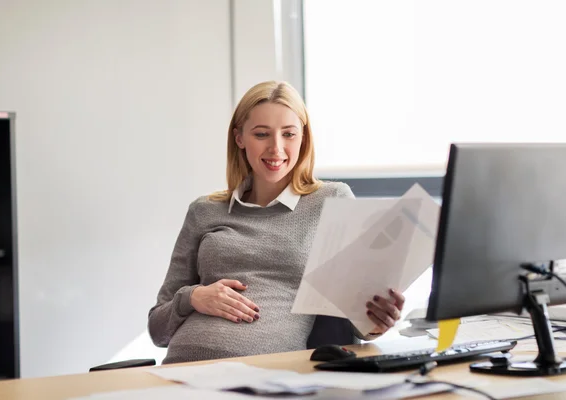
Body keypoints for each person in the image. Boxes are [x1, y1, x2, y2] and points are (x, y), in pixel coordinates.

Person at [148, 81, 405, 364]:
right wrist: (194, 297)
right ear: (239, 138)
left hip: (266, 377)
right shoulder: (204, 211)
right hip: (179, 370)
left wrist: (380, 319)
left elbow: (362, 324)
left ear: (303, 138)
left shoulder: (332, 200)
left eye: (289, 134)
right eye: (261, 134)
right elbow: (158, 330)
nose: (276, 148)